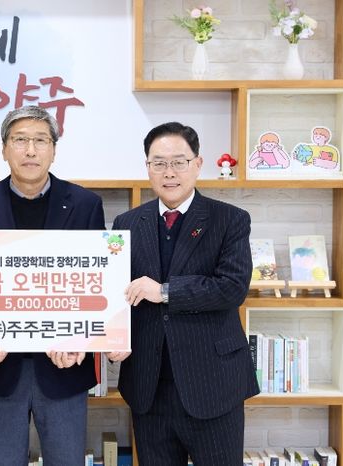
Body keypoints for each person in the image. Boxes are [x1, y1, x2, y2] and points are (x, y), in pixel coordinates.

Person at [0, 105, 106, 466]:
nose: (30, 150)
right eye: (20, 140)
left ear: (54, 149)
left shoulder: (85, 204)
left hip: (64, 366)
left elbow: (97, 283)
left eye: (40, 140)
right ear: (4, 149)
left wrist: (81, 339)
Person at [108, 121, 259, 466]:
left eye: (179, 162)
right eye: (159, 163)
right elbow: (118, 294)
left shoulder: (230, 220)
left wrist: (164, 291)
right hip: (149, 388)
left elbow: (232, 287)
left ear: (198, 164)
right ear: (147, 167)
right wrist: (113, 337)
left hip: (213, 386)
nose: (169, 172)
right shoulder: (127, 224)